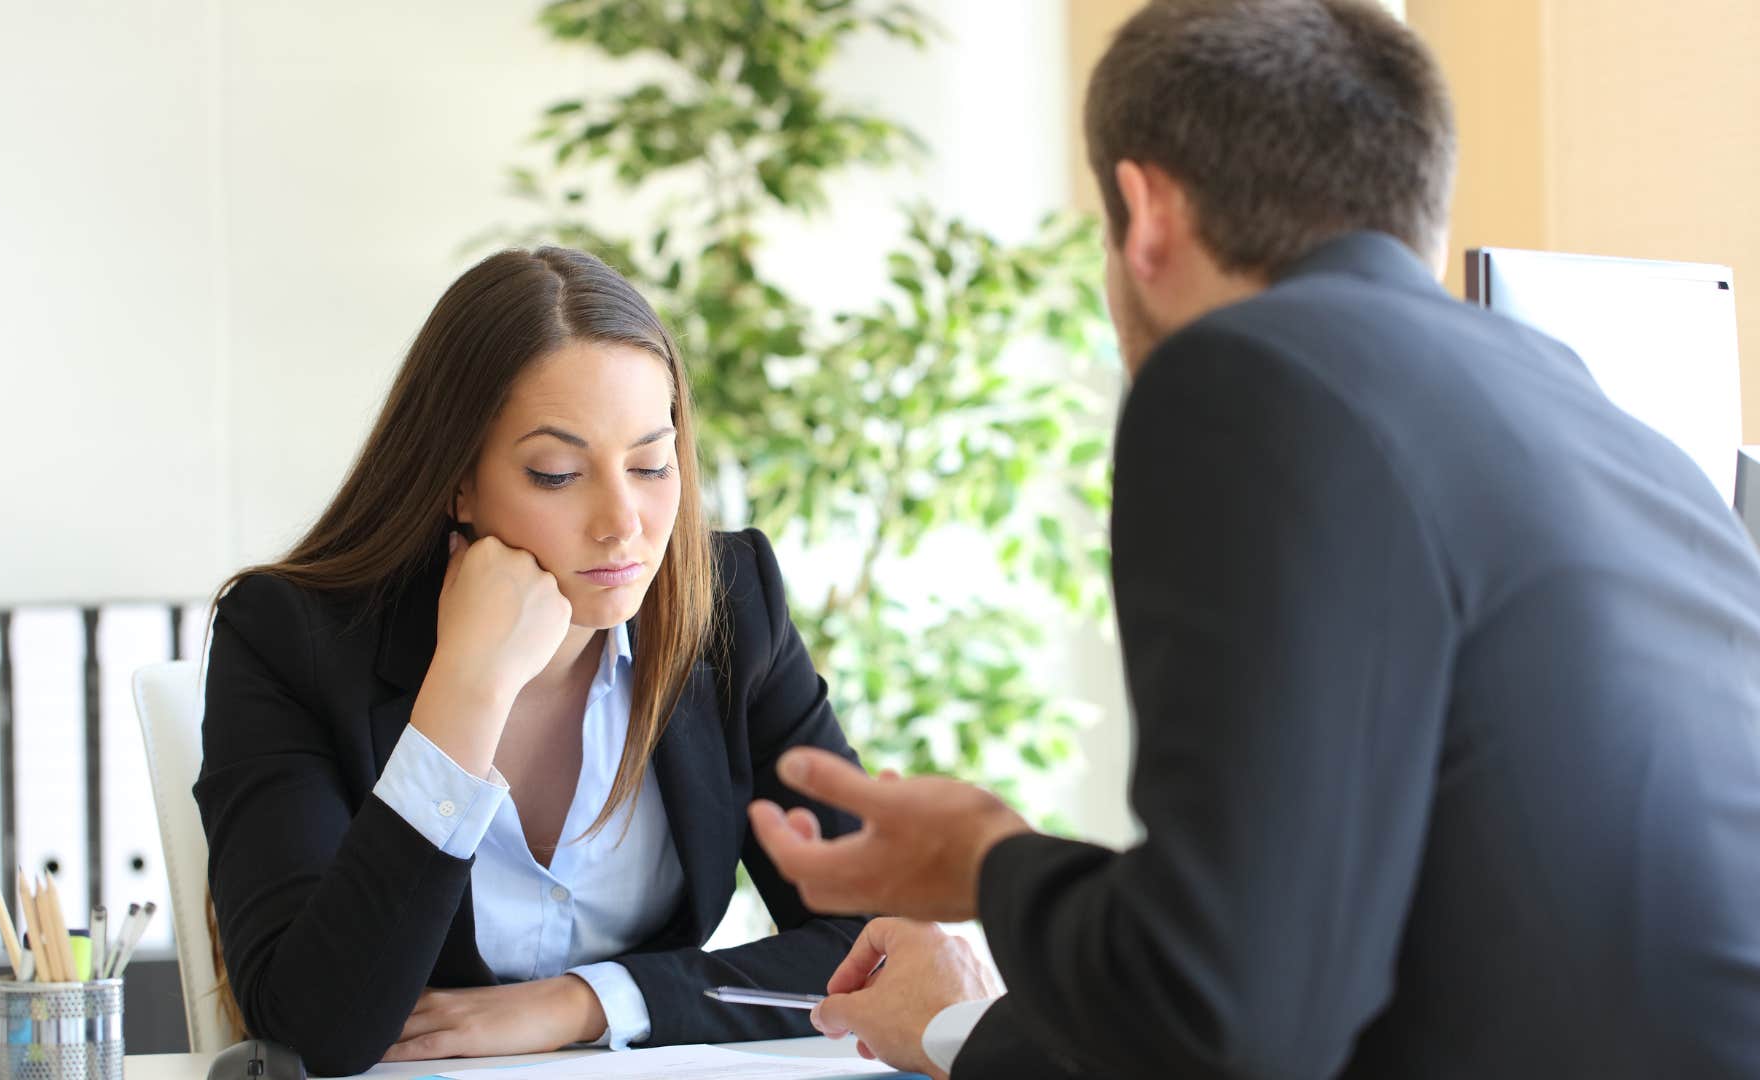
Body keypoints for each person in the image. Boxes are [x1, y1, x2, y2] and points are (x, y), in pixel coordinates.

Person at [747, 1, 1760, 1077]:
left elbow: (1223, 1016)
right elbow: (1317, 978)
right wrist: (962, 1029)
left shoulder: (1249, 370)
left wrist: (986, 860)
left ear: (1142, 210)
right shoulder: (1624, 434)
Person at [195, 247, 870, 1075]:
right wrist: (466, 689)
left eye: (653, 464)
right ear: (458, 482)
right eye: (557, 474)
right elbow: (315, 1025)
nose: (624, 522)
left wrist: (584, 1003)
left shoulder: (730, 604)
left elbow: (874, 945)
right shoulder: (288, 639)